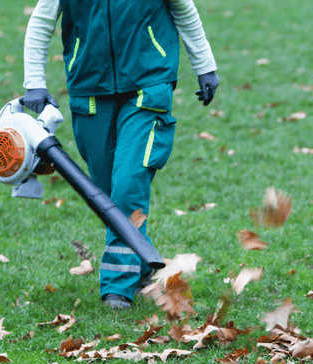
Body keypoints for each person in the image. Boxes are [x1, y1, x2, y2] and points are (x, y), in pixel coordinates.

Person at [21, 0, 219, 309]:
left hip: (148, 82)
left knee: (129, 181)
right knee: (108, 196)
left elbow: (184, 9)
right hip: (89, 88)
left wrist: (204, 65)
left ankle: (117, 287)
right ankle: (142, 261)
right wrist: (34, 82)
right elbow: (41, 21)